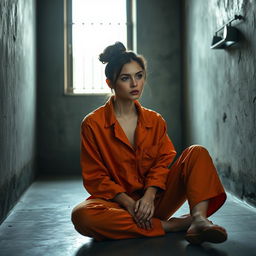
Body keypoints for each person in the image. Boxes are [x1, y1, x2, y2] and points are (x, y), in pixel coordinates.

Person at [71, 42, 227, 245]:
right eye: (125, 78)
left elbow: (162, 163)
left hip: (154, 201)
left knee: (197, 152)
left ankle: (198, 219)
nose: (134, 84)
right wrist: (128, 203)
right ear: (110, 82)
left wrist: (149, 195)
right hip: (119, 204)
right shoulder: (93, 124)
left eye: (139, 75)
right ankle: (172, 226)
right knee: (82, 216)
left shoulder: (155, 120)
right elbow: (96, 176)